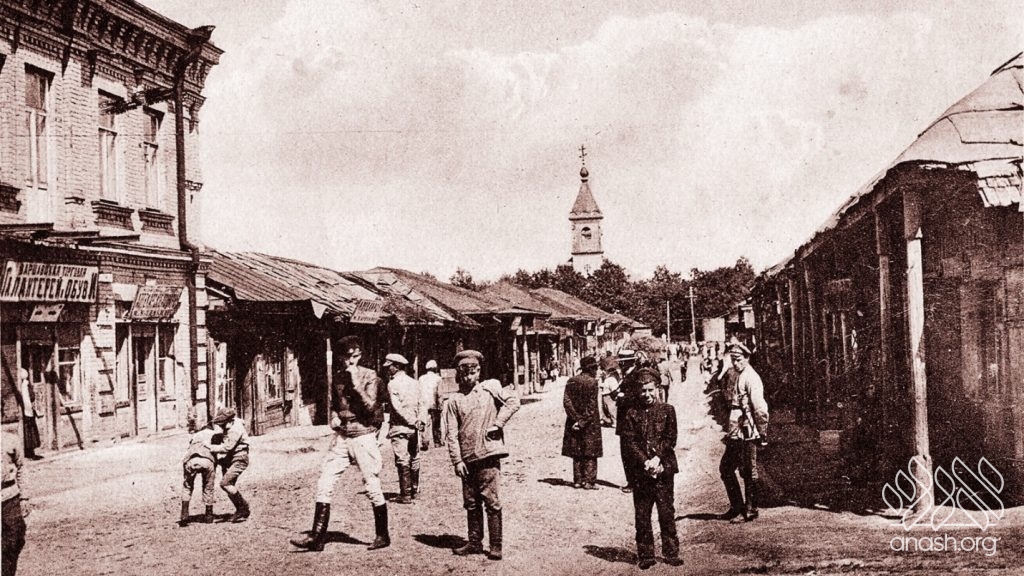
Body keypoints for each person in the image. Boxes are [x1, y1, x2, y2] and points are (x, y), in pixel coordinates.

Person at [290, 335, 390, 551]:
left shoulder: (370, 376)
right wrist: (334, 417)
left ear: (360, 356)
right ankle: (317, 537)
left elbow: (370, 407)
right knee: (325, 481)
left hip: (363, 435)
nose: (350, 361)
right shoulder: (336, 377)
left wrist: (356, 384)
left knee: (371, 484)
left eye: (355, 357)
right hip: (342, 436)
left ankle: (382, 535)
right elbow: (334, 405)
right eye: (346, 358)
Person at [444, 350, 520, 561]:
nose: (469, 377)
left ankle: (496, 546)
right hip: (467, 459)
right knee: (471, 502)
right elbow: (451, 434)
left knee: (491, 501)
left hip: (488, 455)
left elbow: (513, 402)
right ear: (459, 374)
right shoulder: (454, 400)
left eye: (473, 372)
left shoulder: (490, 388)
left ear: (479, 372)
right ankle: (475, 542)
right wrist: (457, 460)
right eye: (465, 373)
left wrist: (498, 424)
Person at [620, 370, 682, 569]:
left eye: (650, 390)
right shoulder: (631, 413)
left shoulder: (668, 410)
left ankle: (671, 552)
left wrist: (657, 458)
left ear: (657, 389)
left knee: (666, 512)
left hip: (663, 469)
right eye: (643, 391)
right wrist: (645, 462)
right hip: (642, 472)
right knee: (642, 514)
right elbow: (630, 442)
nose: (646, 394)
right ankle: (646, 555)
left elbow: (670, 438)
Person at [718, 342, 769, 523]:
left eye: (738, 359)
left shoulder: (751, 378)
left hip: (747, 430)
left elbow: (760, 408)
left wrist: (762, 431)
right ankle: (737, 506)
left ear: (747, 358)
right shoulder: (737, 374)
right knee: (726, 468)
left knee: (748, 470)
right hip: (735, 430)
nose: (735, 363)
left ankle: (750, 509)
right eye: (733, 359)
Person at [384, 353, 423, 504]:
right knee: (414, 457)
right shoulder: (414, 383)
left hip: (400, 427)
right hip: (413, 428)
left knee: (402, 459)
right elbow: (422, 403)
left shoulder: (392, 384)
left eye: (390, 366)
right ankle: (414, 490)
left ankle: (405, 494)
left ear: (397, 366)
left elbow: (397, 407)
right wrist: (419, 421)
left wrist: (412, 421)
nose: (388, 369)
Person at [562, 356, 602, 489]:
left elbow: (567, 402)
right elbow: (591, 406)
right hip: (590, 423)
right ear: (592, 369)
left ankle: (578, 480)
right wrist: (582, 421)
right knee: (590, 451)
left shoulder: (571, 380)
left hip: (572, 421)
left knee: (576, 449)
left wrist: (575, 419)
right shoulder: (593, 383)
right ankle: (589, 481)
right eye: (595, 368)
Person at [207, 408, 251, 523]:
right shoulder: (233, 423)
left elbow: (227, 447)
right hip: (231, 457)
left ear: (230, 421)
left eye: (223, 424)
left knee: (225, 483)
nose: (221, 427)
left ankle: (243, 508)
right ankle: (241, 509)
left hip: (240, 458)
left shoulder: (235, 430)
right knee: (229, 486)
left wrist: (211, 448)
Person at [179, 421, 223, 526]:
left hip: (190, 460)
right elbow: (218, 450)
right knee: (208, 486)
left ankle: (184, 514)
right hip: (207, 460)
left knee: (187, 486)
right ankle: (209, 515)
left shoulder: (195, 435)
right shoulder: (214, 434)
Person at [3, 429, 26, 576]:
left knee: (15, 539)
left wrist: (24, 497)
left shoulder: (10, 439)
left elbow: (21, 467)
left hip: (9, 497)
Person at [419, 360, 443, 448]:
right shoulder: (438, 378)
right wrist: (441, 404)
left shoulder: (421, 378)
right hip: (434, 403)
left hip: (423, 403)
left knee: (425, 423)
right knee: (436, 423)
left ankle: (424, 442)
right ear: (435, 368)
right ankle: (437, 442)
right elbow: (439, 393)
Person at [17, 370, 41, 460]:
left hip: (27, 411)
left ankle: (30, 452)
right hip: (28, 411)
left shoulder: (25, 385)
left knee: (29, 433)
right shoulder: (25, 386)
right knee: (29, 433)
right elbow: (28, 399)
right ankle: (30, 453)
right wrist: (29, 410)